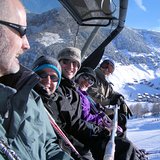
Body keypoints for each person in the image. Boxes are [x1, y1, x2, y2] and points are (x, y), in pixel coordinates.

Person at [0, 0, 73, 159]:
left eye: (54, 77)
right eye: (22, 31)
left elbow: (49, 146)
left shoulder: (29, 96)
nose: (27, 45)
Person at [75, 67, 123, 134]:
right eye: (85, 77)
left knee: (121, 123)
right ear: (78, 76)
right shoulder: (78, 94)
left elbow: (111, 91)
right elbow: (85, 117)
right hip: (90, 127)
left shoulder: (84, 94)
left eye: (90, 81)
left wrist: (98, 106)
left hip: (97, 119)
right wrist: (100, 118)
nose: (87, 82)